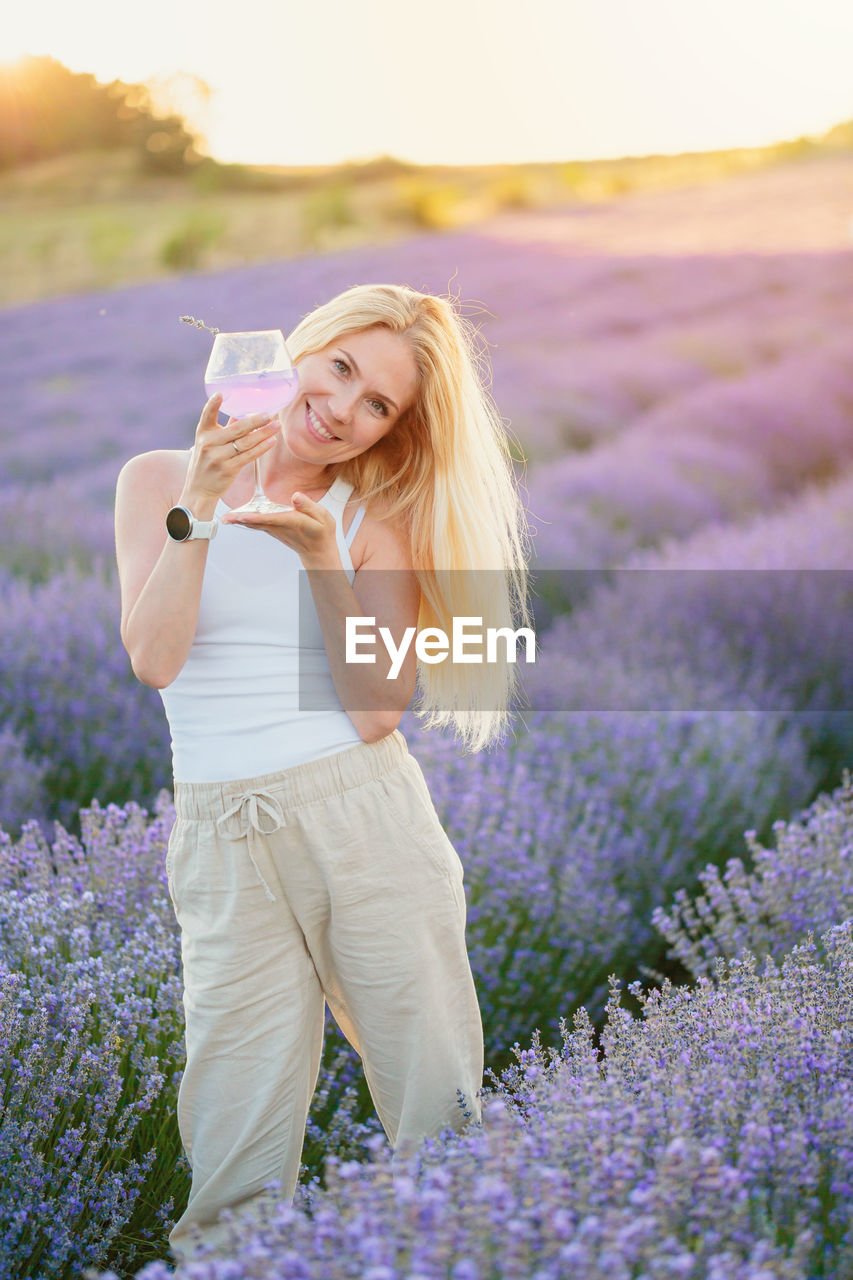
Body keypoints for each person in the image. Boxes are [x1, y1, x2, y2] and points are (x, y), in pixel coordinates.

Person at [114, 282, 530, 1265]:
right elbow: (154, 657)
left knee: (437, 1110)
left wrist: (320, 560)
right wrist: (203, 503)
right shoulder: (155, 479)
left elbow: (379, 708)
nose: (344, 406)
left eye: (378, 402)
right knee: (234, 1148)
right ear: (299, 350)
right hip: (220, 835)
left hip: (362, 818)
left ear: (392, 428)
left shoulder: (370, 517)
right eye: (341, 367)